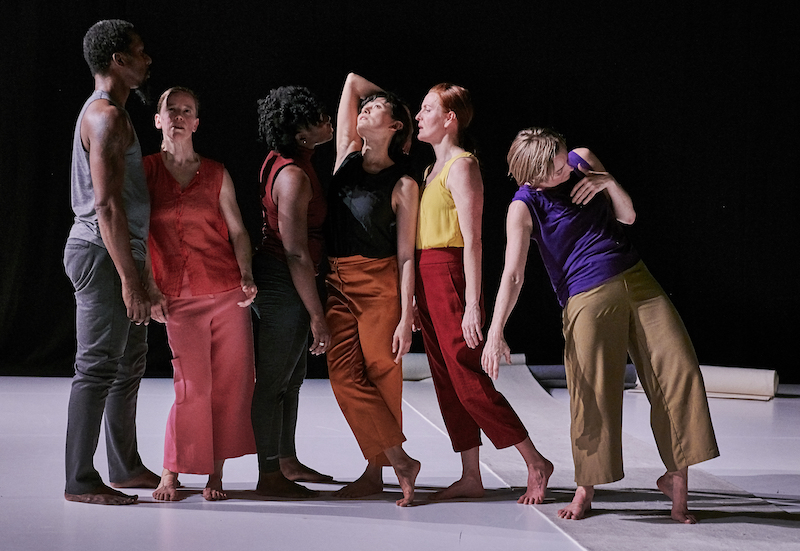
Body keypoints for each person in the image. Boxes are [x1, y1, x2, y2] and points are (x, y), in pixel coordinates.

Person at [482, 127, 719, 523]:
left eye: (564, 158)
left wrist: (606, 181)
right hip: (585, 296)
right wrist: (495, 331)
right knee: (591, 393)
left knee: (679, 371)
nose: (566, 169)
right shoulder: (524, 206)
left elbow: (627, 215)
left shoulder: (582, 160)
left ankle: (678, 487)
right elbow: (513, 275)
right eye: (556, 168)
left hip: (637, 279)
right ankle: (584, 490)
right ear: (533, 176)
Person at [413, 84, 553, 504]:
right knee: (445, 380)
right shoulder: (431, 170)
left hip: (451, 275)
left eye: (427, 109)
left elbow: (473, 241)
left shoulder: (462, 165)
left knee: (468, 378)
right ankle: (470, 475)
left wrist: (473, 303)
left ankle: (535, 461)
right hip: (427, 277)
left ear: (450, 118)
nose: (419, 116)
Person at [145, 87, 258, 501]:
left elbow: (239, 230)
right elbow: (137, 235)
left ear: (195, 123)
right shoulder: (145, 170)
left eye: (186, 111)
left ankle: (215, 473)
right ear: (158, 120)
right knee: (191, 386)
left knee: (231, 385)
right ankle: (171, 470)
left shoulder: (215, 172)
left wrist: (246, 273)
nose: (177, 116)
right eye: (170, 110)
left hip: (227, 290)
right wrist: (149, 288)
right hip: (177, 296)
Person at [63, 19, 159, 506]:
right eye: (139, 53)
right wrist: (130, 279)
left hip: (122, 253)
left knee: (128, 365)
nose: (147, 60)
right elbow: (106, 206)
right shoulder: (106, 117)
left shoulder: (115, 113)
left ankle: (123, 465)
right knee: (98, 367)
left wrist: (140, 270)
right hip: (103, 255)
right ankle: (80, 479)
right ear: (118, 60)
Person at [325, 73, 420, 507]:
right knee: (343, 376)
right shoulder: (345, 155)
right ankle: (400, 459)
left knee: (384, 376)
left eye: (376, 107)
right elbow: (350, 83)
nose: (365, 108)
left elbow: (405, 256)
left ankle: (375, 473)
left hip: (380, 284)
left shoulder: (403, 184)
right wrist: (385, 96)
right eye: (367, 106)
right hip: (337, 283)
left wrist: (406, 313)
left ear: (396, 126)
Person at [251, 86, 334, 497]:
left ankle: (286, 459)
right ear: (301, 134)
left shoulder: (290, 160)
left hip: (285, 277)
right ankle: (269, 475)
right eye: (318, 117)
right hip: (284, 280)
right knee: (273, 380)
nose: (328, 121)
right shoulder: (294, 176)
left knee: (293, 376)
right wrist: (317, 315)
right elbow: (296, 252)